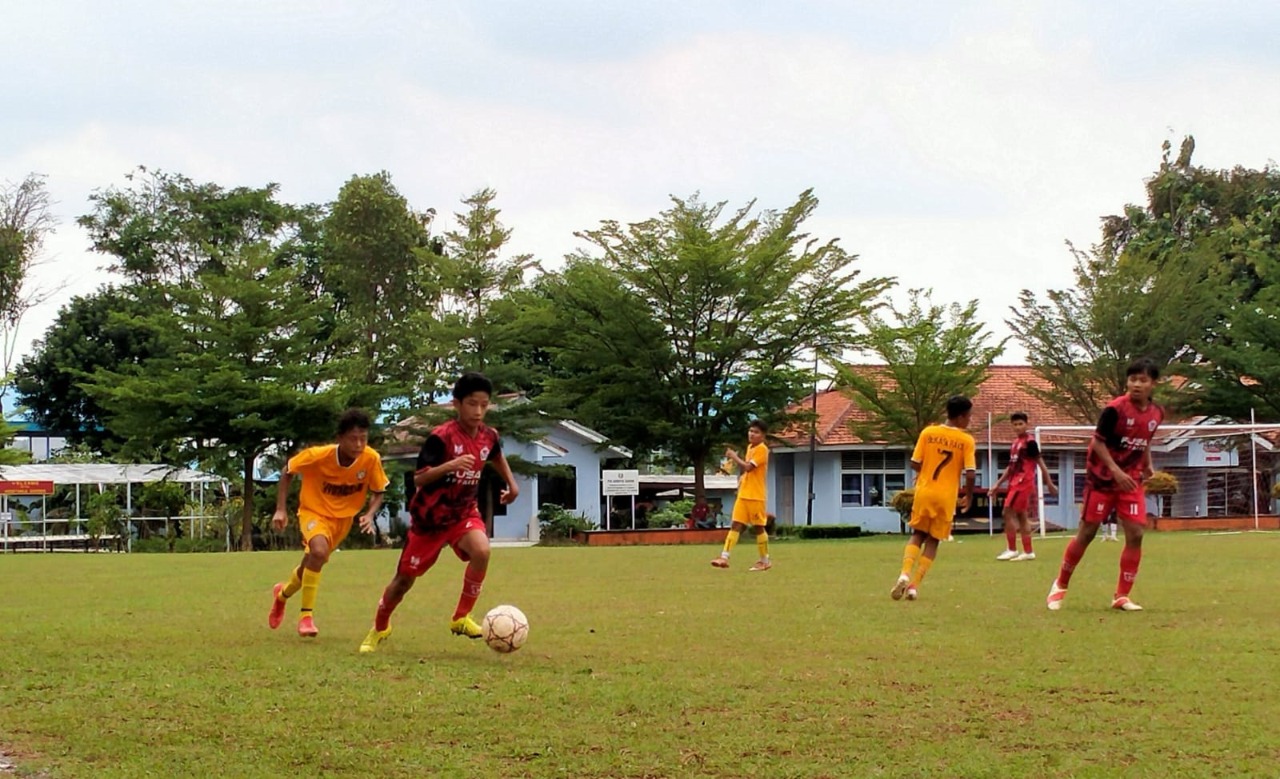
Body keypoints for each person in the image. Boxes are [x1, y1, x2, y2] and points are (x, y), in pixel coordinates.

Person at [359, 372, 520, 653]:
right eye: (472, 404)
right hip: (429, 520)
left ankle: (460, 617)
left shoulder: (488, 436)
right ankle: (380, 626)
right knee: (403, 581)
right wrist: (451, 465)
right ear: (456, 404)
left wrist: (512, 484)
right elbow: (419, 479)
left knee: (482, 551)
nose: (479, 411)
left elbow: (495, 455)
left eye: (484, 404)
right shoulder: (440, 437)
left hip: (463, 513)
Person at [1047, 358, 1164, 612]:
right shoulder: (1114, 410)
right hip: (1101, 479)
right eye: (1132, 379)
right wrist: (1115, 470)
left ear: (1154, 384)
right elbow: (1098, 443)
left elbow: (1145, 441)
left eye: (1142, 380)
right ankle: (1060, 585)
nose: (1136, 384)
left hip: (1130, 481)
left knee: (1136, 533)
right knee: (1087, 534)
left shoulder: (1157, 414)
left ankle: (1121, 596)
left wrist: (1147, 465)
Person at [268, 408, 389, 638]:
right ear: (340, 438)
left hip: (342, 521)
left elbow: (379, 491)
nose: (359, 444)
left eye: (363, 438)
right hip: (313, 513)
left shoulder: (371, 459)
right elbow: (287, 471)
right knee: (319, 551)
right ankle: (306, 617)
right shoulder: (318, 455)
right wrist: (281, 509)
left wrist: (369, 514)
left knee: (313, 561)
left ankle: (282, 595)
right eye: (353, 439)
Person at [891, 396, 976, 601]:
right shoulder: (966, 440)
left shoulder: (928, 432)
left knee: (918, 534)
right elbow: (971, 473)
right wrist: (969, 496)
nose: (970, 421)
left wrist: (926, 474)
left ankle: (904, 573)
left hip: (925, 492)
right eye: (969, 416)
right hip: (946, 497)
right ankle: (913, 586)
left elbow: (914, 462)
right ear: (961, 416)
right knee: (934, 540)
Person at [992, 412, 1059, 561]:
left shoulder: (1030, 443)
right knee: (1022, 516)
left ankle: (1012, 549)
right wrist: (997, 484)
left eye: (1020, 424)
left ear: (1026, 424)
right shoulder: (1015, 443)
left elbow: (1040, 463)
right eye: (1015, 424)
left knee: (1007, 512)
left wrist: (1049, 482)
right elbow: (1011, 467)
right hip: (1014, 482)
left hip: (1023, 482)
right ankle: (1028, 551)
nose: (1018, 427)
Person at [710, 420, 771, 571]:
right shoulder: (750, 447)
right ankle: (724, 557)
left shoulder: (762, 450)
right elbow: (747, 472)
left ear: (763, 436)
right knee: (736, 525)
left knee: (758, 527)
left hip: (756, 496)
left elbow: (748, 467)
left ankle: (764, 560)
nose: (752, 434)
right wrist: (741, 483)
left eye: (756, 432)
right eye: (750, 431)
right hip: (744, 494)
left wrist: (733, 457)